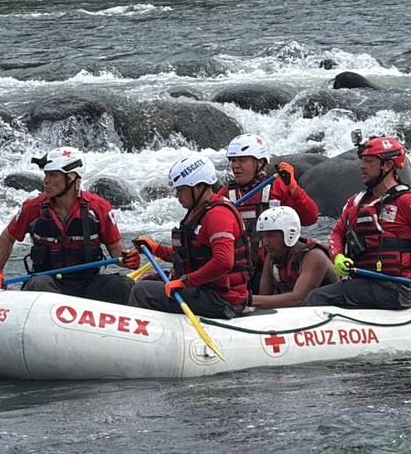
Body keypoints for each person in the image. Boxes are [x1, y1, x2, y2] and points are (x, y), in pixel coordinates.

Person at [305, 136, 411, 310]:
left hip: (395, 288)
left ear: (388, 166)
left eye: (369, 161)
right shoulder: (356, 202)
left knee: (318, 298)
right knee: (321, 288)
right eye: (363, 161)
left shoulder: (410, 202)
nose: (362, 166)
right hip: (362, 282)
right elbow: (337, 233)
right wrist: (338, 257)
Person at [0, 146, 134, 304]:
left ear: (71, 177)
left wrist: (128, 259)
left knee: (123, 286)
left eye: (53, 175)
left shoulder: (99, 207)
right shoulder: (33, 207)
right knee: (38, 283)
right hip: (50, 284)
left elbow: (116, 250)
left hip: (88, 283)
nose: (46, 181)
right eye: (46, 175)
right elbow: (8, 237)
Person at [126, 155, 250, 319]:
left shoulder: (218, 215)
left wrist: (185, 282)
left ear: (199, 187)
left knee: (142, 292)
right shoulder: (198, 211)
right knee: (146, 281)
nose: (178, 197)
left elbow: (223, 262)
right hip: (206, 290)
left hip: (222, 300)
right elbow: (189, 256)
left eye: (181, 190)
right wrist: (155, 249)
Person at [224, 133, 320, 287]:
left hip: (271, 266)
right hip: (239, 268)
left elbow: (310, 218)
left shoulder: (277, 188)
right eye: (233, 160)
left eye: (242, 160)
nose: (236, 166)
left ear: (260, 163)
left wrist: (294, 188)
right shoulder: (225, 196)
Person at [250, 206, 337, 309]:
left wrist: (248, 300)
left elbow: (298, 299)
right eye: (263, 236)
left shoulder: (315, 257)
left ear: (289, 233)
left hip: (327, 313)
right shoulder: (271, 258)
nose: (265, 243)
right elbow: (264, 298)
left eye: (271, 236)